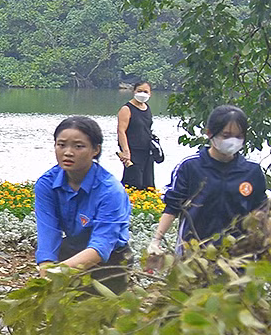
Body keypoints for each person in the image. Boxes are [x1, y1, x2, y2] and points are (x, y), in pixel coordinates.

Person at [147, 105, 267, 263]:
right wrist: (156, 241)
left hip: (239, 255)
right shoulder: (190, 167)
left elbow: (262, 211)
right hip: (194, 253)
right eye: (226, 135)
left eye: (239, 136)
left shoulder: (252, 171)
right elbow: (173, 206)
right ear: (210, 133)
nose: (233, 141)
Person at [34, 115, 132, 292]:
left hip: (110, 259)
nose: (68, 152)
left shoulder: (110, 191)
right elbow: (48, 232)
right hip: (71, 249)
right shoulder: (46, 184)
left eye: (78, 146)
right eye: (61, 145)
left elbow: (102, 245)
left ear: (95, 150)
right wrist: (46, 269)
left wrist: (58, 272)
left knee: (100, 314)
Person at [116, 81, 159, 192]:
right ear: (134, 91)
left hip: (147, 152)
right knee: (133, 183)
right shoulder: (126, 109)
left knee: (148, 184)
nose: (142, 94)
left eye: (145, 91)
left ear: (150, 94)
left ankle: (147, 206)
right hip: (133, 152)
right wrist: (126, 151)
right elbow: (121, 131)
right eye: (139, 91)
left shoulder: (147, 108)